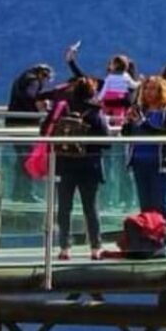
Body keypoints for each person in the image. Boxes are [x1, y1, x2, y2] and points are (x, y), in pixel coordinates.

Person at [49, 76, 110, 261]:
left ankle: (64, 248)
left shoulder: (63, 108)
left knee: (64, 207)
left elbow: (47, 131)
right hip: (89, 165)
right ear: (92, 92)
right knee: (90, 208)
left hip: (64, 163)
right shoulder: (95, 112)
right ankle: (95, 247)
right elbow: (106, 142)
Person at [123, 76, 166, 225]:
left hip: (160, 164)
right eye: (146, 88)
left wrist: (143, 124)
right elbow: (126, 134)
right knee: (145, 203)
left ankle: (163, 233)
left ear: (161, 91)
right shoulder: (139, 109)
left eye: (153, 89)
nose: (148, 92)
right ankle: (147, 233)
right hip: (139, 162)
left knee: (160, 201)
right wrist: (127, 122)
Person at [6, 63, 55, 202]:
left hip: (13, 121)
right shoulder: (33, 81)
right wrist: (42, 103)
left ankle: (17, 192)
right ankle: (27, 193)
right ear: (43, 75)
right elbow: (30, 97)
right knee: (28, 159)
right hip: (24, 123)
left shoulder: (22, 78)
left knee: (21, 158)